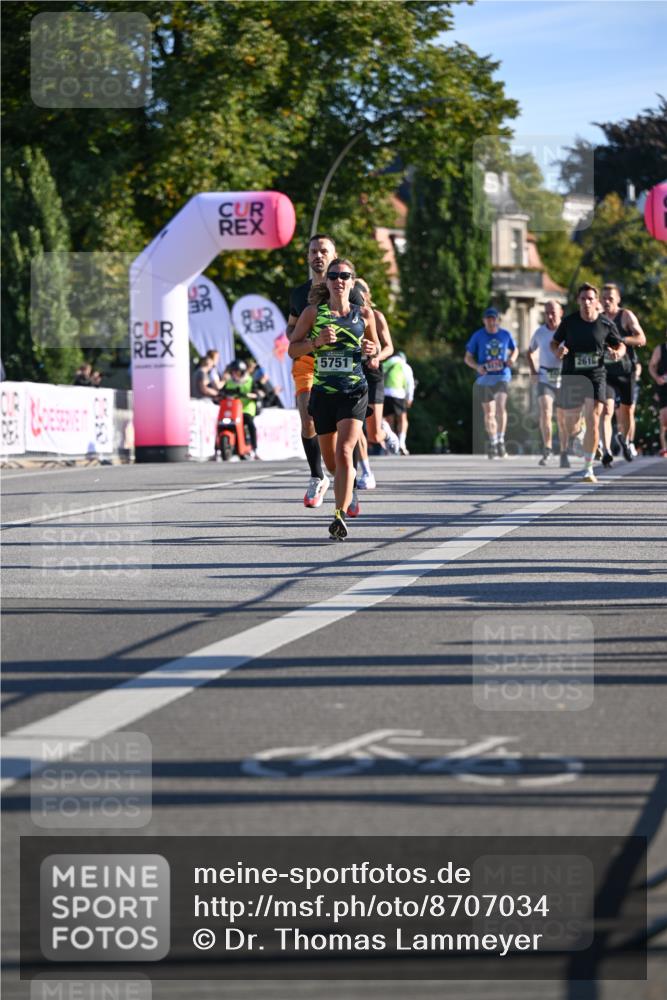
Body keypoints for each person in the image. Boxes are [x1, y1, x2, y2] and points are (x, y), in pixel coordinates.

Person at [288, 258, 379, 540]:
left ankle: (338, 516)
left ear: (352, 282)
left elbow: (375, 354)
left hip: (353, 391)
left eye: (345, 275)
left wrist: (372, 350)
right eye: (334, 275)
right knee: (331, 462)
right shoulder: (313, 313)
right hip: (324, 393)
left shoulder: (364, 314)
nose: (339, 280)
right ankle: (343, 486)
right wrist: (316, 343)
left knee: (344, 451)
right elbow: (292, 349)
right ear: (326, 282)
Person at [286, 234, 365, 509]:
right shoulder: (299, 293)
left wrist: (371, 351)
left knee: (346, 436)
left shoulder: (350, 290)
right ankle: (317, 475)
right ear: (308, 257)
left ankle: (350, 485)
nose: (317, 256)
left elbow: (368, 326)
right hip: (309, 360)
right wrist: (307, 337)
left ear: (334, 256)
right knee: (306, 415)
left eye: (323, 251)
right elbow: (291, 330)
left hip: (345, 369)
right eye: (313, 251)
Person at [551, 283, 626, 483]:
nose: (586, 302)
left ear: (596, 301)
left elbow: (620, 344)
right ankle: (580, 435)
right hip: (571, 376)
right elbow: (554, 342)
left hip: (595, 375)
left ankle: (588, 468)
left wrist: (617, 353)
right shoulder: (569, 323)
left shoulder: (605, 324)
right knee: (570, 424)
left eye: (590, 299)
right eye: (583, 298)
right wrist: (558, 351)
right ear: (578, 301)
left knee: (594, 418)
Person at [354, 278, 399, 490]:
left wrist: (377, 357)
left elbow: (389, 347)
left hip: (372, 373)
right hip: (352, 373)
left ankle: (384, 430)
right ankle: (366, 472)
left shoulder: (376, 316)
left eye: (360, 297)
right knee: (355, 426)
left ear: (367, 296)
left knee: (373, 435)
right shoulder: (345, 316)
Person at [464, 307, 518, 459]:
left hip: (501, 376)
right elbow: (467, 357)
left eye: (493, 318)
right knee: (489, 413)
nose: (491, 321)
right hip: (484, 379)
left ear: (498, 320)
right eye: (488, 319)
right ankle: (493, 442)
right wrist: (477, 366)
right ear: (484, 321)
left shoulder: (505, 335)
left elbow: (515, 350)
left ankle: (501, 439)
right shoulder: (478, 336)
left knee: (501, 407)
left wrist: (512, 359)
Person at [601, 283, 646, 461]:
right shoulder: (599, 318)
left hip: (626, 371)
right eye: (603, 298)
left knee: (627, 411)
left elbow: (641, 338)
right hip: (605, 372)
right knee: (607, 410)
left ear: (618, 299)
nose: (606, 302)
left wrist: (623, 339)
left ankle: (625, 440)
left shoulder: (625, 315)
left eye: (610, 298)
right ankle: (607, 451)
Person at [526, 301, 568, 466]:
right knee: (545, 412)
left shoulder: (567, 331)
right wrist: (533, 371)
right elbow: (529, 353)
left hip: (564, 379)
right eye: (547, 313)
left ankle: (564, 451)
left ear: (561, 313)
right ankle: (548, 448)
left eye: (553, 313)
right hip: (544, 376)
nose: (550, 316)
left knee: (562, 418)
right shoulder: (540, 333)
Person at [221, 358, 260, 459]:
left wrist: (248, 395)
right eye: (233, 372)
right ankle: (217, 449)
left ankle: (254, 449)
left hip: (246, 409)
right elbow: (222, 392)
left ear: (242, 372)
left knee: (250, 424)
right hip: (232, 410)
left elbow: (257, 394)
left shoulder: (249, 380)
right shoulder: (229, 382)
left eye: (236, 371)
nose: (234, 374)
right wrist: (219, 396)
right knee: (220, 424)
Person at [383, 351, 414, 455]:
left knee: (388, 420)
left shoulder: (386, 363)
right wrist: (409, 398)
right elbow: (410, 383)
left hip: (384, 394)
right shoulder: (405, 366)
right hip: (399, 394)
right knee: (402, 420)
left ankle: (389, 445)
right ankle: (401, 443)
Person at [648, 333, 667, 456]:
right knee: (664, 420)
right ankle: (664, 448)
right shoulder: (660, 349)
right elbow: (651, 366)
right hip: (663, 387)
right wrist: (657, 378)